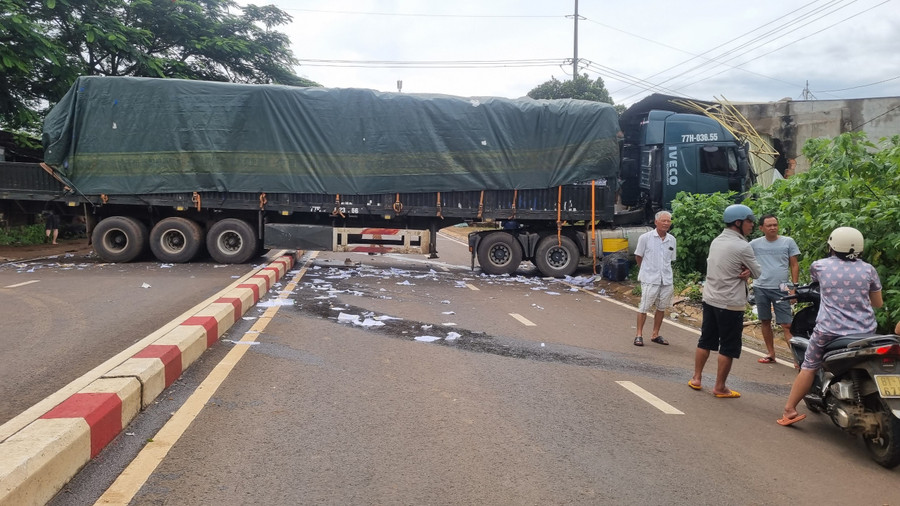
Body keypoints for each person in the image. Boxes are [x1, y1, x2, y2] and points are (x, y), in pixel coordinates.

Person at [778, 227, 882, 426]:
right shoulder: (868, 269)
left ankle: (789, 409)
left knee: (808, 366)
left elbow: (816, 285)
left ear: (832, 245)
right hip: (866, 331)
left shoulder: (820, 266)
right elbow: (877, 303)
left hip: (830, 330)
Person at [689, 204, 761, 398]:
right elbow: (757, 272)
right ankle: (720, 387)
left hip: (711, 298)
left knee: (706, 340)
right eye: (749, 221)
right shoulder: (742, 245)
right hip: (730, 303)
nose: (752, 225)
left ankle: (696, 378)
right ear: (738, 223)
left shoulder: (717, 240)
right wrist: (747, 272)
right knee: (728, 346)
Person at [749, 215, 800, 364]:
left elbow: (794, 265)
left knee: (787, 324)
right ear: (761, 228)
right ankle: (771, 353)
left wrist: (793, 288)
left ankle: (798, 360)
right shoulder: (754, 244)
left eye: (775, 225)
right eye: (769, 225)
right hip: (760, 287)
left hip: (782, 286)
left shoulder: (788, 242)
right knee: (765, 320)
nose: (773, 227)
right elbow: (746, 261)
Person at [633, 210, 676, 347]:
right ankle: (639, 334)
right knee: (644, 306)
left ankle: (655, 334)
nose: (666, 223)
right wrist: (645, 270)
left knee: (661, 307)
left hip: (666, 279)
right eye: (663, 220)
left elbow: (671, 259)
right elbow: (638, 256)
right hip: (649, 278)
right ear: (656, 222)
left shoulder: (672, 240)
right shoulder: (645, 238)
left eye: (668, 221)